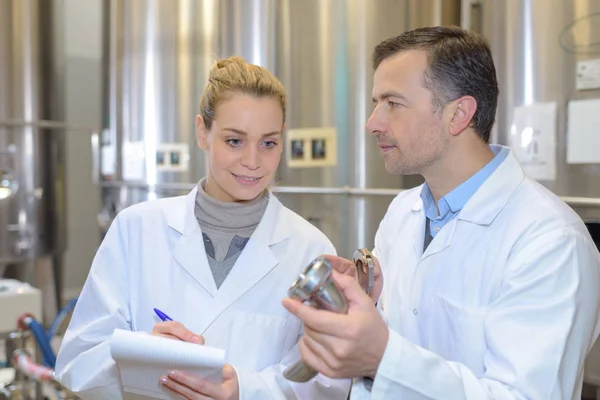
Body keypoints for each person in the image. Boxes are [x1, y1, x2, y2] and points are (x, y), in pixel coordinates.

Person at [282, 26, 600, 399]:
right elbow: (407, 343)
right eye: (375, 103)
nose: (372, 124)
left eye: (393, 103)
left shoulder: (550, 240)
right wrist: (364, 306)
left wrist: (381, 359)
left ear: (459, 114)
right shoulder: (403, 213)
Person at [55, 56, 350, 400]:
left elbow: (328, 379)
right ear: (202, 133)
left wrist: (247, 390)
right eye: (234, 141)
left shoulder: (311, 248)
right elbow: (78, 360)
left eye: (268, 143)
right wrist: (142, 355)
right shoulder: (135, 230)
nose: (253, 162)